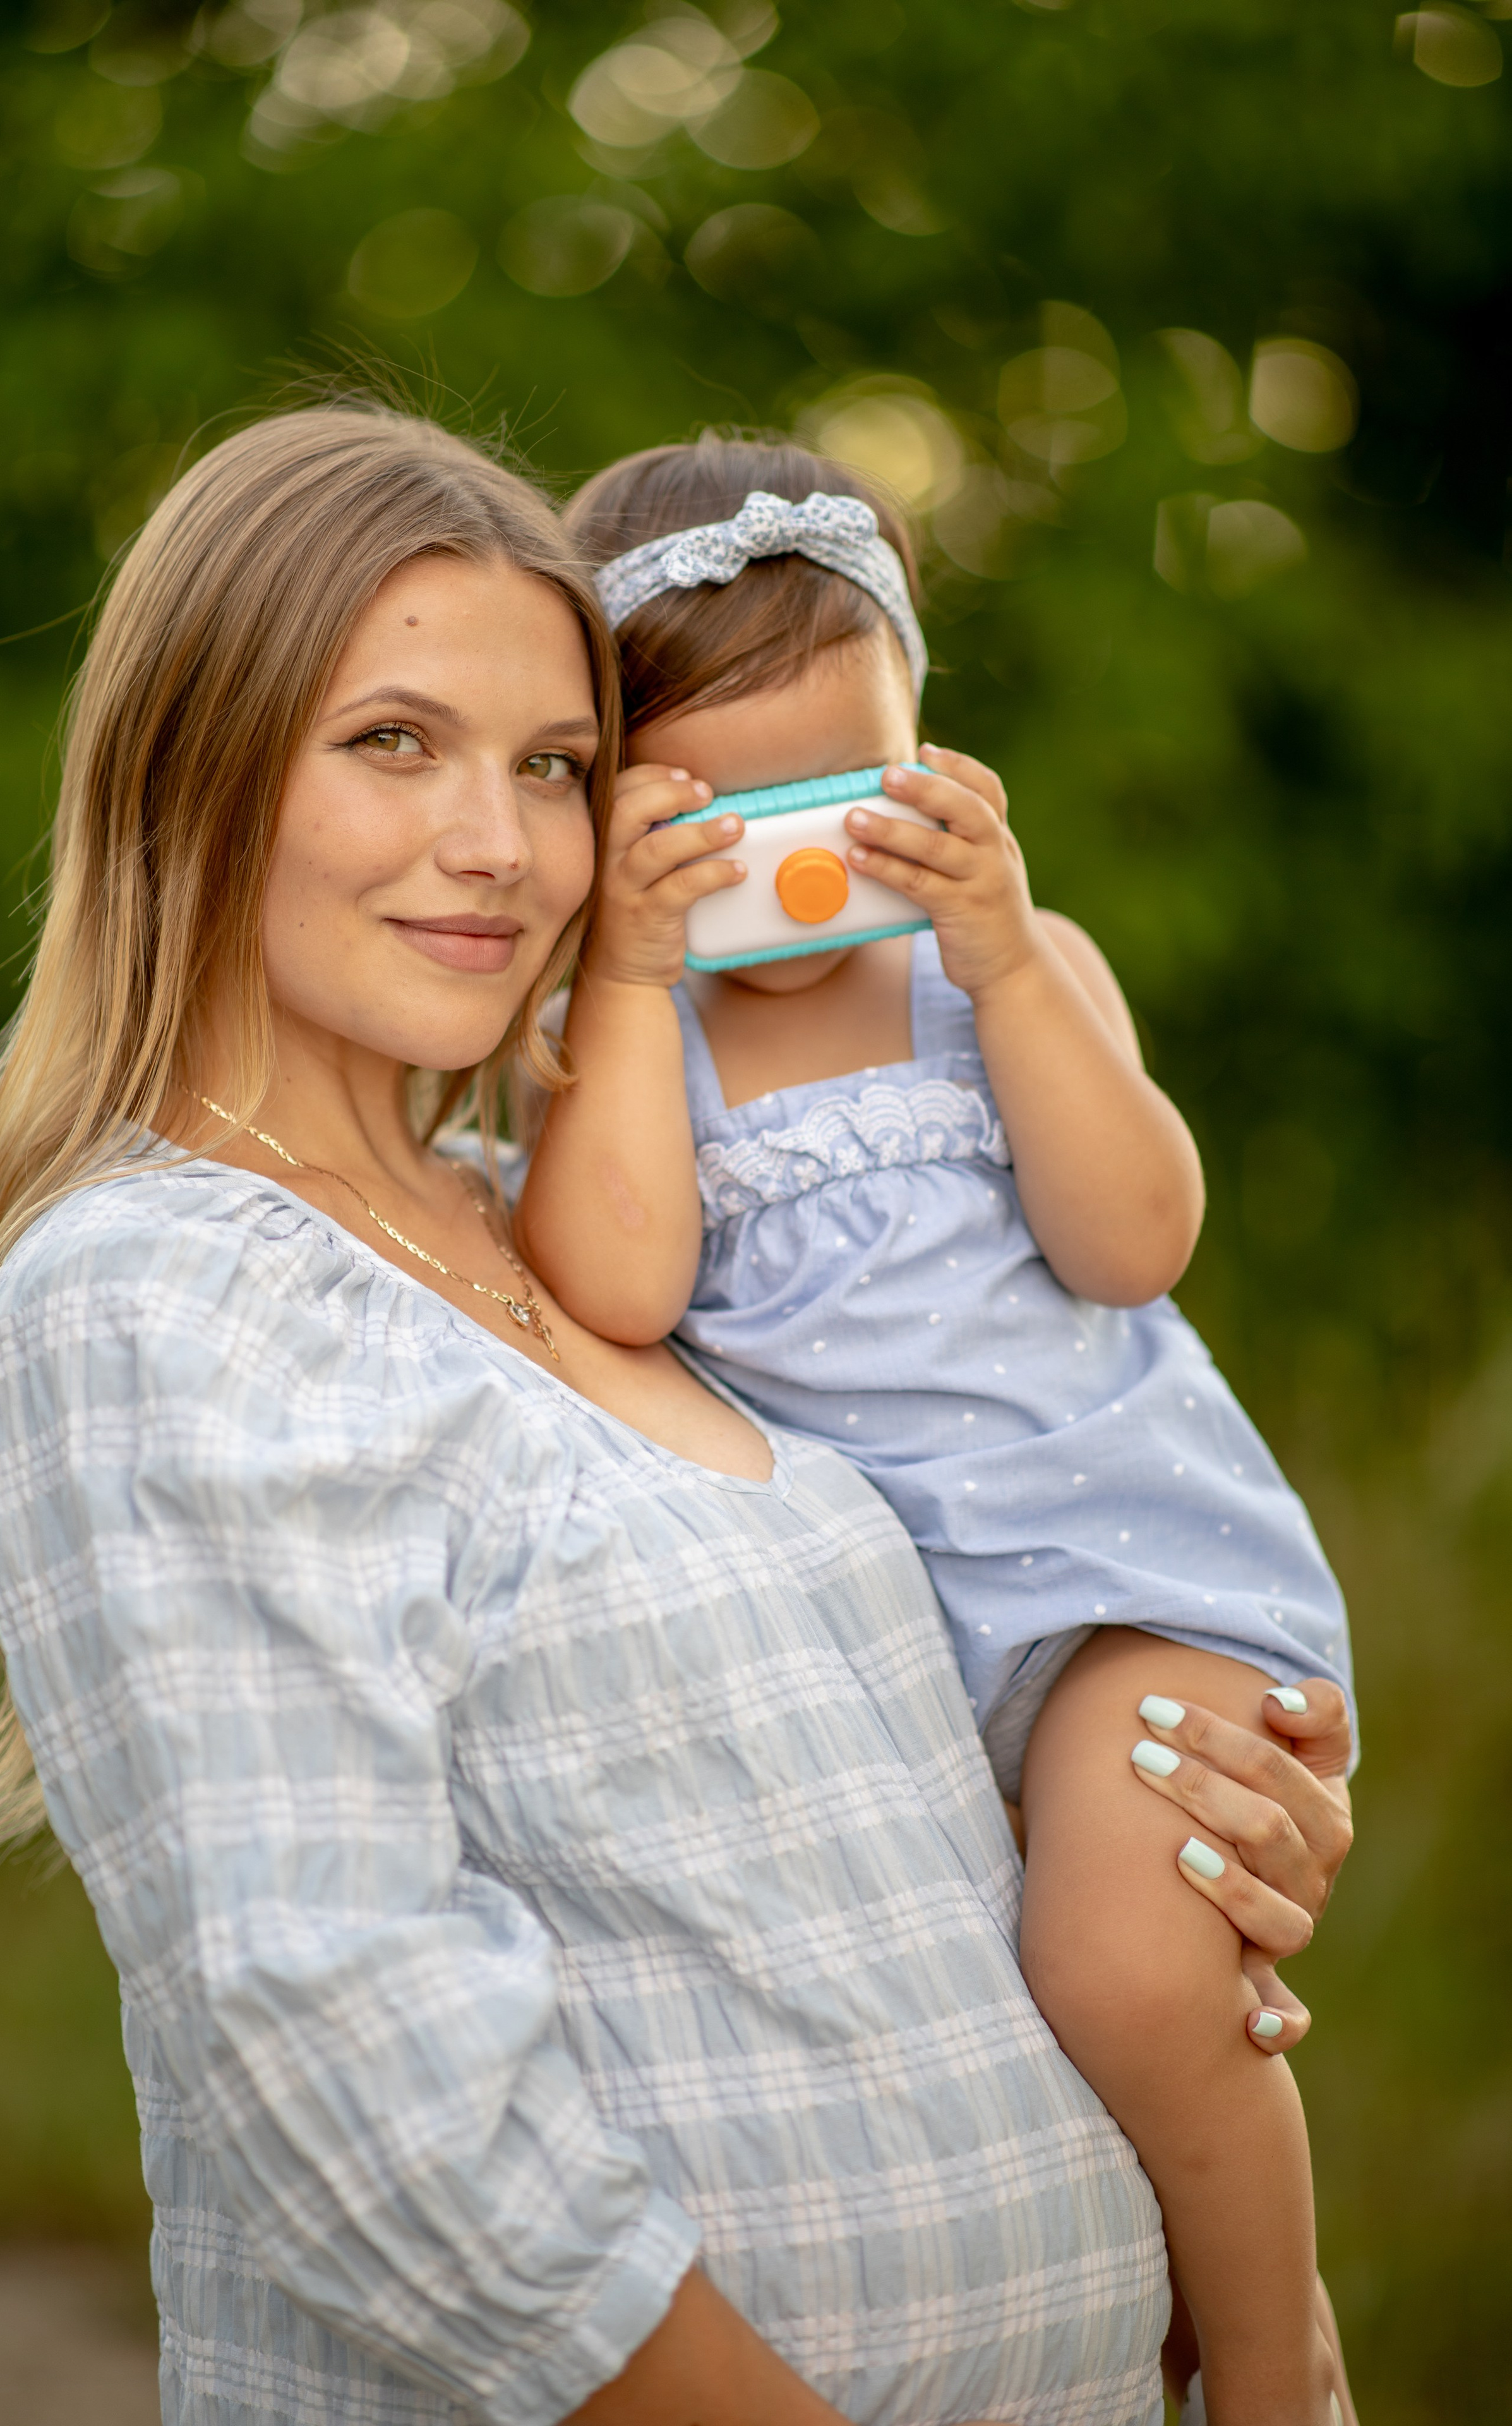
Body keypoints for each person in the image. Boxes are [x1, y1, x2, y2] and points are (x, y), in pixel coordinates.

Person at [0, 403, 1355, 2426]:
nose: (500, 844)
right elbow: (352, 2061)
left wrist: (1208, 1832)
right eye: (394, 741)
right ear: (196, 771)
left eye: (557, 769)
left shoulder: (581, 1240)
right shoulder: (169, 1287)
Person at [515, 433, 1360, 2426]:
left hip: (1123, 1582)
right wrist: (630, 983)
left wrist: (1003, 955)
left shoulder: (1005, 980)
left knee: (1140, 1977)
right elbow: (620, 1278)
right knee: (1038, 2068)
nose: (780, 858)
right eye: (699, 818)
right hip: (894, 1667)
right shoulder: (628, 1041)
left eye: (839, 791)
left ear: (923, 756)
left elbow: (1137, 1239)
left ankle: (1276, 2362)